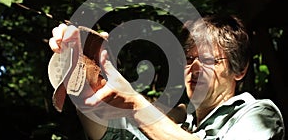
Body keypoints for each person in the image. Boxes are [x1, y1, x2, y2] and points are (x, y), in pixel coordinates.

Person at [48, 13, 285, 140]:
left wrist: (134, 102)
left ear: (240, 70)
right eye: (190, 59)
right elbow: (110, 134)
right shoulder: (175, 124)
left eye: (209, 59)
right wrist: (84, 73)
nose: (194, 67)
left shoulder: (259, 114)